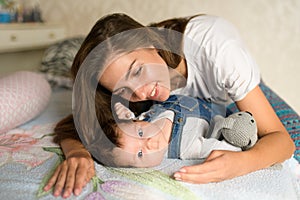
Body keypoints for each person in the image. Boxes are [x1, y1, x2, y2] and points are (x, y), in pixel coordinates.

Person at [43, 13, 295, 198]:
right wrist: (78, 153)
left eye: (137, 70)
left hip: (235, 91)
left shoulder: (217, 52)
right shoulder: (131, 89)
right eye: (122, 90)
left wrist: (240, 164)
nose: (140, 91)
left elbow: (282, 140)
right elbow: (78, 124)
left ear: (151, 44)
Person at [110, 94, 257, 168]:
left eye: (140, 133)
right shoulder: (187, 148)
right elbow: (221, 150)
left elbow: (133, 119)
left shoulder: (146, 118)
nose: (148, 142)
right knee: (238, 128)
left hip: (200, 93)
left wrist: (126, 115)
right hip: (221, 113)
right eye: (140, 153)